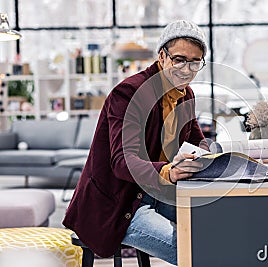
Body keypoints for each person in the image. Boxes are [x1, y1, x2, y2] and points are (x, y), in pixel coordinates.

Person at [63, 20, 209, 266]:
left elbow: (195, 137)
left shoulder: (186, 93)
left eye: (195, 62)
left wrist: (204, 154)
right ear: (162, 56)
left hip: (158, 192)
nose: (187, 69)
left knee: (216, 229)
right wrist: (170, 171)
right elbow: (122, 161)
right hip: (119, 205)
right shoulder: (129, 93)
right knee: (195, 249)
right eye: (179, 59)